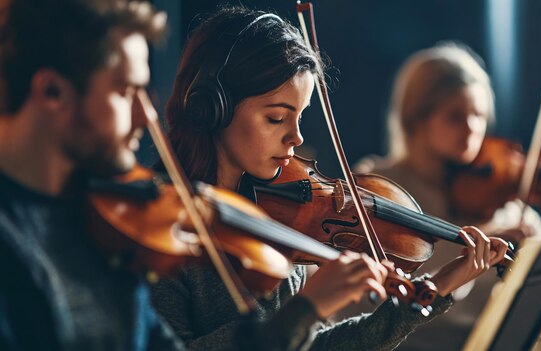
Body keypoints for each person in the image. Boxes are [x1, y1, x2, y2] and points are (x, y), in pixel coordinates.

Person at [150, 6, 508, 351]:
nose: (297, 137)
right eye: (276, 118)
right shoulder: (159, 226)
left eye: (300, 117)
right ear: (213, 107)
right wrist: (305, 307)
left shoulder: (279, 214)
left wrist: (436, 287)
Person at [355, 43, 541, 350]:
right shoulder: (379, 184)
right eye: (455, 117)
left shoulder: (496, 185)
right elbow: (377, 286)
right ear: (416, 119)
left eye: (479, 116)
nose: (472, 129)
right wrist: (478, 245)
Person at [0, 0, 187, 350]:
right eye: (126, 91)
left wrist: (299, 316)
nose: (146, 117)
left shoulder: (102, 221)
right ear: (52, 92)